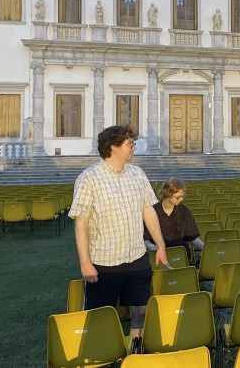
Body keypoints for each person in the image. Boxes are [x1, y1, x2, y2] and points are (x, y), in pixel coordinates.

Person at [68, 124, 168, 354]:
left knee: (141, 311)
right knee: (101, 317)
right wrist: (85, 262)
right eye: (130, 144)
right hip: (104, 262)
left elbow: (148, 211)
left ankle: (136, 354)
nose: (134, 148)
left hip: (136, 256)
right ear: (113, 147)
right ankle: (103, 356)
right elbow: (81, 222)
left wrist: (160, 244)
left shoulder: (138, 174)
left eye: (133, 143)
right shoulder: (89, 178)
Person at [144, 178, 203, 262]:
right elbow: (144, 239)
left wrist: (204, 248)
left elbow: (192, 237)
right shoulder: (151, 212)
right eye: (178, 197)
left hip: (181, 257)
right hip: (157, 257)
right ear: (168, 194)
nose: (181, 199)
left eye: (182, 196)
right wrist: (152, 246)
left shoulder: (184, 211)